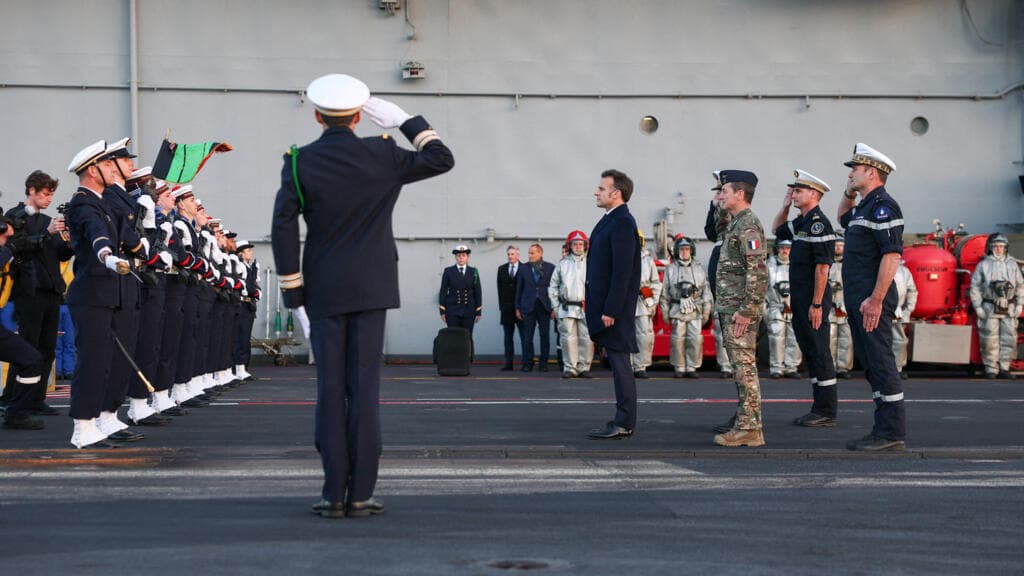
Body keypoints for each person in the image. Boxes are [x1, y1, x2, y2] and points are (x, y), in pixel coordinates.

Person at [272, 73, 453, 518]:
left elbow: (283, 228)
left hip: (323, 290)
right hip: (373, 287)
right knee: (365, 391)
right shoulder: (383, 153)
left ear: (318, 116)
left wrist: (293, 292)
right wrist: (406, 121)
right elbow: (441, 159)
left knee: (330, 390)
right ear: (358, 117)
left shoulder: (299, 162)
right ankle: (361, 493)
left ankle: (334, 493)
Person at [64, 140, 134, 448]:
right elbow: (97, 235)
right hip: (91, 292)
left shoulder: (102, 202)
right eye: (106, 165)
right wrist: (106, 255)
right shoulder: (83, 204)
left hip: (106, 292)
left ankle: (98, 420)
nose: (112, 169)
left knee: (106, 359)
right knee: (92, 360)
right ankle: (82, 427)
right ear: (92, 171)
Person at [837, 142, 906, 452]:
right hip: (859, 298)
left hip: (871, 299)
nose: (850, 173)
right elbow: (842, 216)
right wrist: (849, 192)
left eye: (855, 169)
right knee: (870, 363)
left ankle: (890, 432)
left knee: (880, 361)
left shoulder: (884, 207)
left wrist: (876, 300)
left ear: (872, 172)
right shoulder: (863, 207)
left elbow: (892, 255)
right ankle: (883, 429)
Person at [1, 170, 73, 420]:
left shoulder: (48, 220)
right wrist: (47, 233)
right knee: (26, 346)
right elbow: (20, 247)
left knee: (47, 348)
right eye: (44, 194)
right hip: (28, 290)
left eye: (51, 194)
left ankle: (36, 398)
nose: (49, 199)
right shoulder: (14, 217)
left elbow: (59, 254)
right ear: (31, 190)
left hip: (51, 290)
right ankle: (12, 398)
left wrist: (68, 241)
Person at [771, 169, 839, 427]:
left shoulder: (818, 224)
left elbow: (822, 268)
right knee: (810, 351)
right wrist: (785, 206)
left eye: (798, 191)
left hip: (813, 300)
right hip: (800, 299)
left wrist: (817, 304)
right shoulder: (801, 222)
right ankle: (818, 407)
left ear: (814, 194)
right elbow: (777, 230)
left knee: (820, 352)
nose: (794, 194)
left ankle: (826, 410)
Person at [712, 170, 768, 448]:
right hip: (731, 308)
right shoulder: (736, 222)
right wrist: (718, 205)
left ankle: (749, 428)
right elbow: (715, 228)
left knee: (745, 369)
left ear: (740, 194)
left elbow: (757, 271)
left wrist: (747, 310)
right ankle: (746, 424)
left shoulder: (748, 225)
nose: (720, 195)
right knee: (740, 369)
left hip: (739, 311)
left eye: (725, 191)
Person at [585, 169, 642, 440]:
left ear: (616, 193)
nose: (596, 192)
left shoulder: (622, 222)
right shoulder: (611, 219)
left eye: (601, 188)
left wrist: (611, 310)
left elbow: (623, 272)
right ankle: (623, 420)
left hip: (614, 311)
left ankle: (624, 422)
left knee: (621, 365)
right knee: (618, 364)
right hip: (606, 308)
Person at [0, 216, 47, 431]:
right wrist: (11, 249)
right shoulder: (5, 253)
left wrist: (25, 258)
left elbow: (28, 288)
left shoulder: (8, 257)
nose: (8, 241)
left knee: (31, 360)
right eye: (5, 236)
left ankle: (17, 414)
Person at [970, 234, 1023, 379]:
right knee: (989, 338)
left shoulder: (1012, 265)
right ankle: (991, 369)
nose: (999, 249)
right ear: (991, 248)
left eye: (1001, 246)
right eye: (996, 246)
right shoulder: (983, 265)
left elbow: (1020, 286)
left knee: (1009, 338)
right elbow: (975, 287)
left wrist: (1019, 304)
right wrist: (978, 306)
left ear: (1006, 248)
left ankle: (1005, 368)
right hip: (989, 306)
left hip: (1009, 307)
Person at [660, 235, 713, 378]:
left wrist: (706, 312)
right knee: (677, 339)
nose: (684, 252)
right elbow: (664, 293)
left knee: (695, 339)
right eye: (682, 249)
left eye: (687, 249)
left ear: (692, 251)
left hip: (695, 309)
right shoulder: (670, 269)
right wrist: (665, 312)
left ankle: (692, 367)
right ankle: (679, 367)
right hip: (677, 309)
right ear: (677, 251)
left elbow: (706, 292)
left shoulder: (699, 269)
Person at [549, 231, 593, 378]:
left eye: (581, 244)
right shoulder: (562, 264)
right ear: (570, 245)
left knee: (586, 338)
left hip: (586, 308)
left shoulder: (592, 263)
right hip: (566, 308)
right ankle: (570, 368)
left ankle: (584, 367)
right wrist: (556, 307)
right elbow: (553, 287)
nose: (578, 246)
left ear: (585, 245)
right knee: (568, 339)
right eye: (575, 244)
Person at [704, 172, 734, 379]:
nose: (718, 196)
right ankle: (726, 364)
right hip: (719, 253)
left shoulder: (733, 213)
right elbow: (710, 232)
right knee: (722, 319)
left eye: (722, 191)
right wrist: (712, 207)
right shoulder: (717, 209)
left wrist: (719, 207)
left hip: (729, 257)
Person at [515, 243, 555, 372]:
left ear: (540, 253)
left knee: (545, 336)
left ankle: (543, 363)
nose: (529, 255)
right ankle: (528, 363)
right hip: (528, 306)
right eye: (529, 253)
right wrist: (517, 307)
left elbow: (554, 289)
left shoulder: (550, 267)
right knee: (527, 336)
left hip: (544, 306)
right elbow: (519, 289)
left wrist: (554, 308)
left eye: (532, 253)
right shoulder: (523, 268)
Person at [765, 239, 802, 378]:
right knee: (776, 338)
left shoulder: (798, 265)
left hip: (794, 307)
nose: (785, 251)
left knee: (794, 338)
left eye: (787, 248)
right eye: (782, 248)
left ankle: (791, 367)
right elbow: (762, 289)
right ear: (777, 249)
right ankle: (776, 367)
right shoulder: (769, 266)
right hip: (776, 307)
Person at [631, 231, 663, 379]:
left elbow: (655, 283)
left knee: (644, 336)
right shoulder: (621, 257)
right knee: (626, 336)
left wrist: (652, 302)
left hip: (643, 300)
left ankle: (640, 366)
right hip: (626, 302)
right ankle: (627, 366)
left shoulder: (648, 260)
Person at [438, 245, 482, 333]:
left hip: (469, 310)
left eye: (463, 255)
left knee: (467, 336)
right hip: (452, 311)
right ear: (455, 257)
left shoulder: (474, 271)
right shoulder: (448, 271)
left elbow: (478, 292)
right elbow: (443, 291)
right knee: (454, 336)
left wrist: (478, 311)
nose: (461, 258)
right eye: (458, 255)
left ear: (468, 257)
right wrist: (442, 311)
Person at [829, 231, 854, 378]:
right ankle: (830, 367)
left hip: (846, 308)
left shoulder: (851, 264)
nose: (838, 248)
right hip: (830, 308)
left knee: (846, 340)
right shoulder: (827, 264)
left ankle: (843, 367)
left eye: (840, 245)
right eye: (836, 245)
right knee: (830, 339)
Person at [234, 239, 260, 381]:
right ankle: (238, 367)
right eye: (248, 250)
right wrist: (255, 292)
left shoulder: (249, 267)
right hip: (243, 304)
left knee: (245, 338)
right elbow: (247, 287)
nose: (251, 253)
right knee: (241, 337)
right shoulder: (240, 266)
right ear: (241, 254)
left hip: (249, 305)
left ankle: (242, 366)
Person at [496, 245, 522, 370]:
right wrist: (502, 307)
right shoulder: (501, 269)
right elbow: (499, 290)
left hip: (521, 310)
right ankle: (508, 363)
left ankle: (527, 363)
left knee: (525, 337)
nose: (510, 256)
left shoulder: (525, 268)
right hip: (506, 309)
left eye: (512, 254)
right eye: (509, 254)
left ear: (518, 255)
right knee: (508, 338)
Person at [892, 259, 918, 378]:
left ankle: (897, 368)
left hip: (899, 312)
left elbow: (912, 291)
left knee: (900, 341)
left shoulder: (904, 271)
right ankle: (881, 369)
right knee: (881, 341)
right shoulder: (876, 268)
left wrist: (908, 309)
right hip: (880, 310)